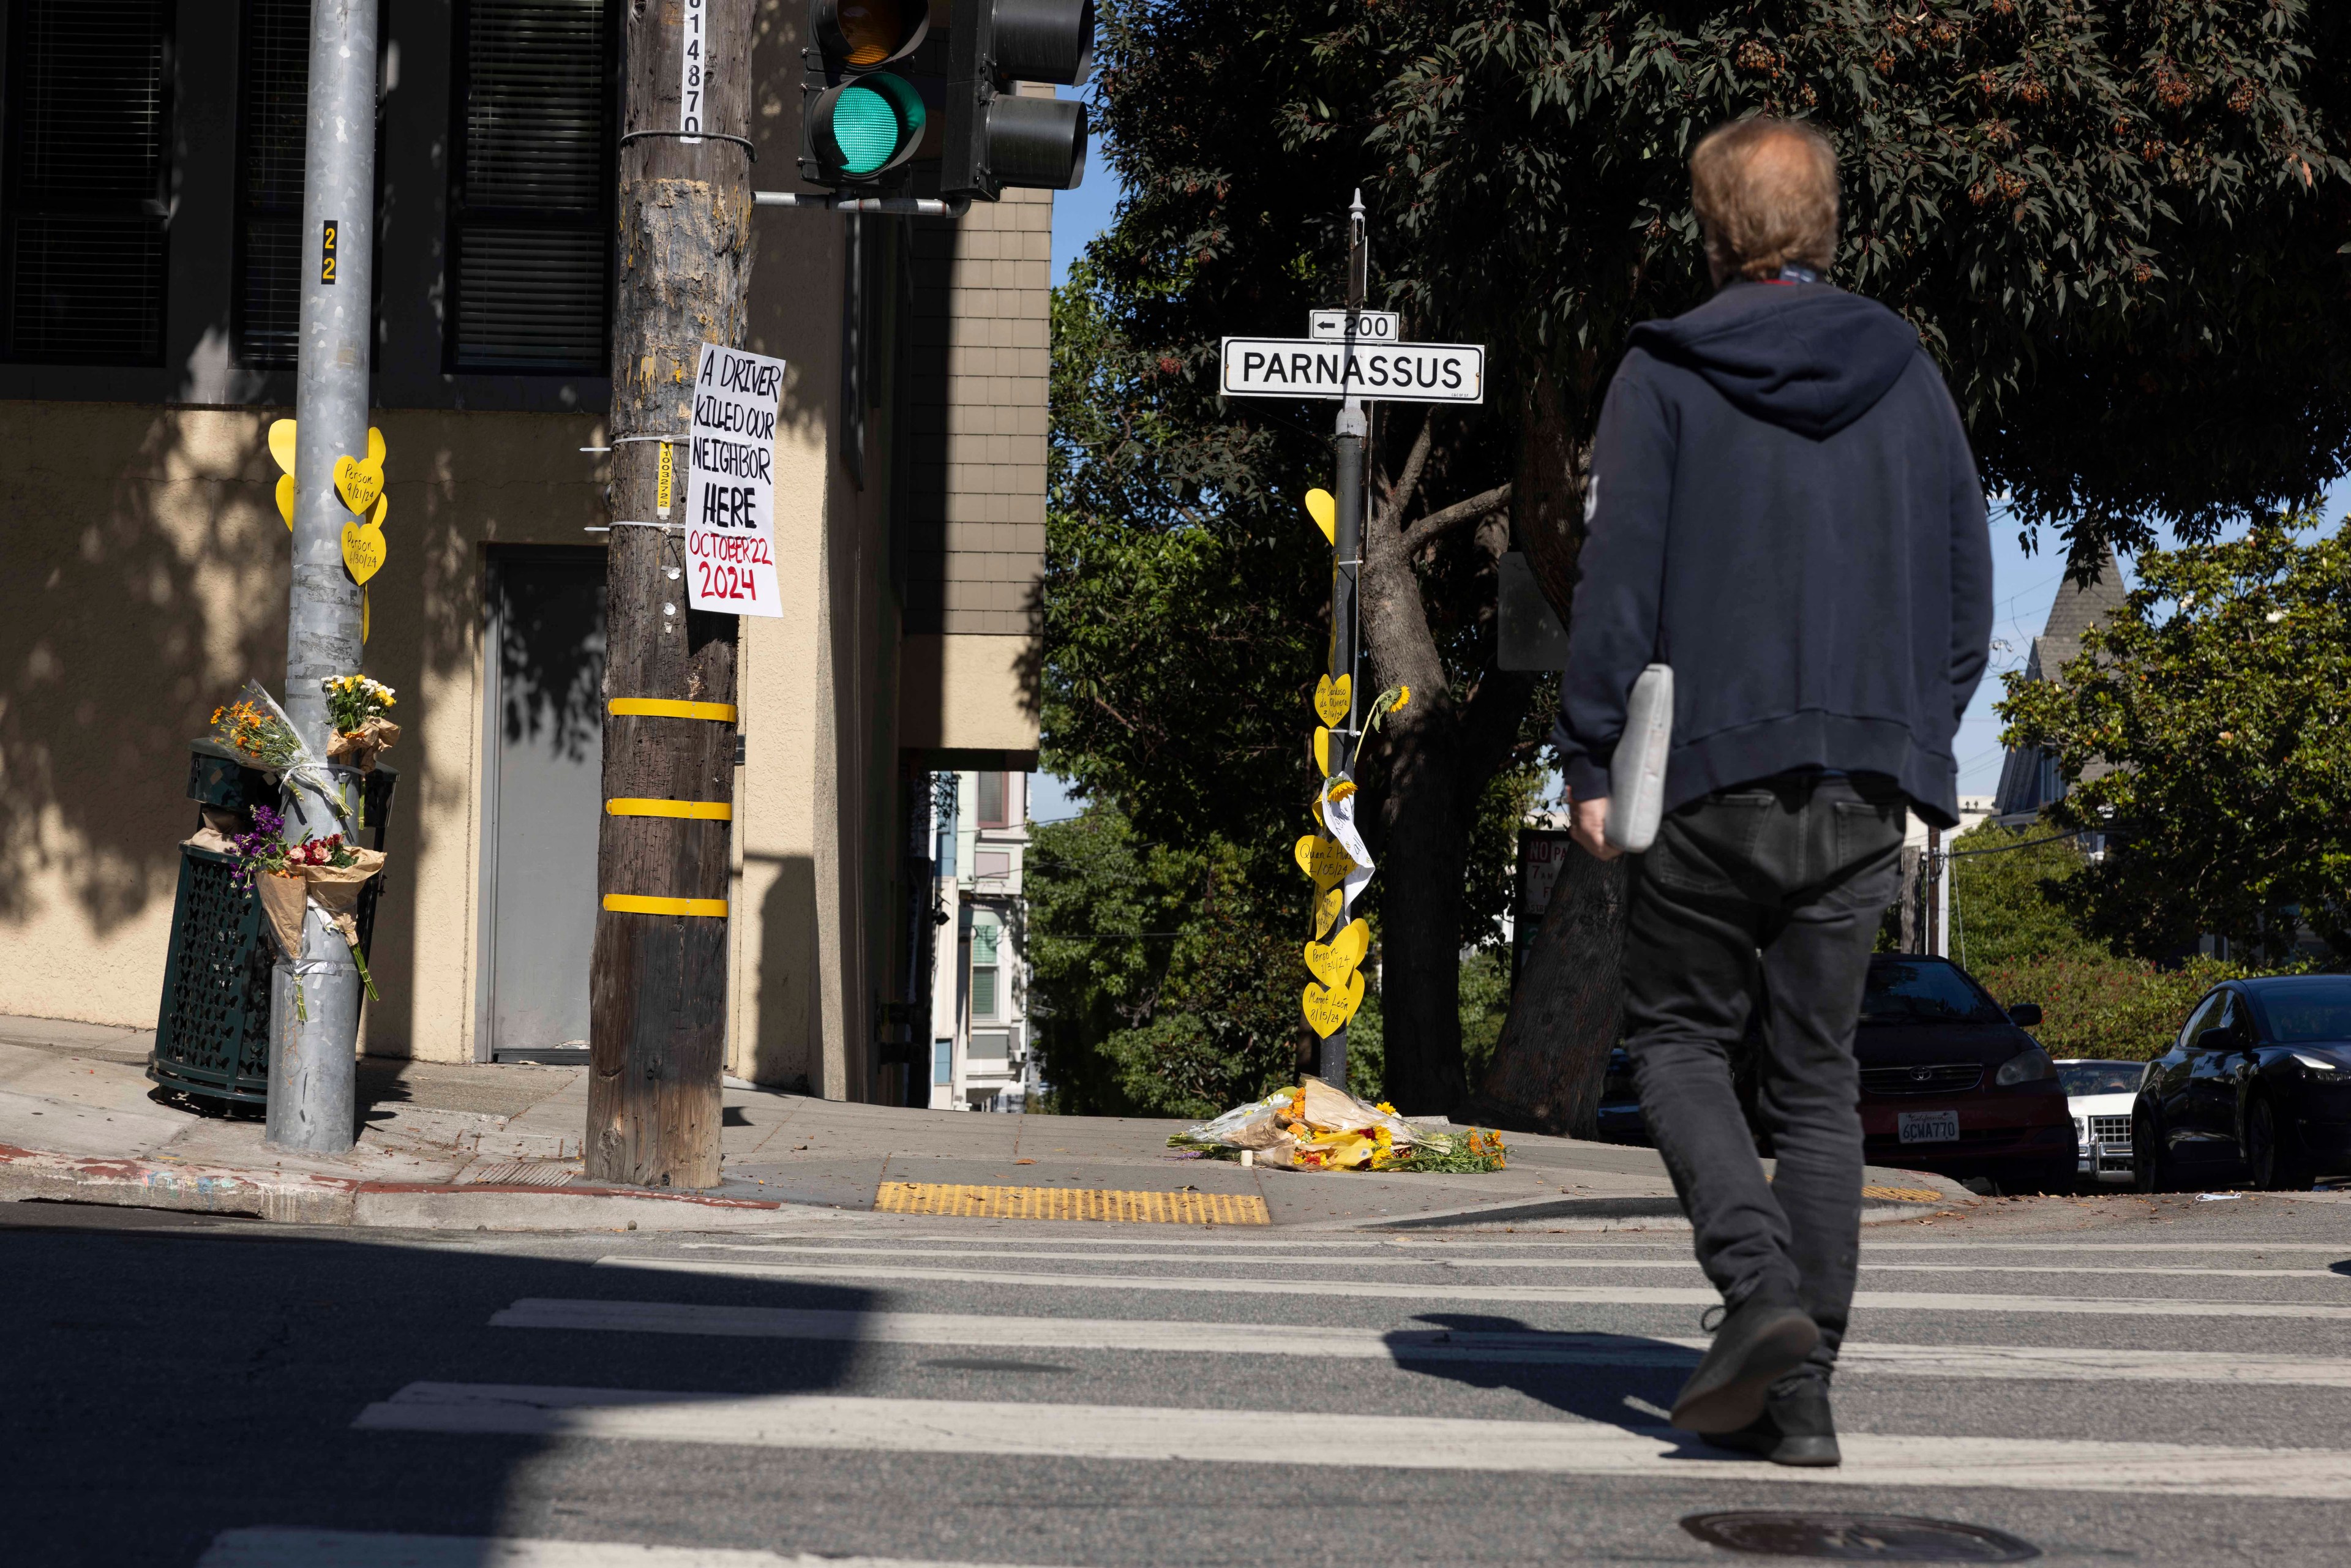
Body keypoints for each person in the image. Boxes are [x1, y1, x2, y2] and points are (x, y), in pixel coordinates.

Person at [1553, 115, 1993, 1467]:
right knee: (1818, 1078)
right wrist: (1917, 737)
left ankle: (1757, 1296)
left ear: (1711, 227)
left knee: (1682, 1045)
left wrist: (1586, 756)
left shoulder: (1665, 371)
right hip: (1865, 781)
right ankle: (1803, 1396)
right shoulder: (1909, 375)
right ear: (1828, 224)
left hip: (1705, 774)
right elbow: (1966, 590)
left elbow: (1618, 578)